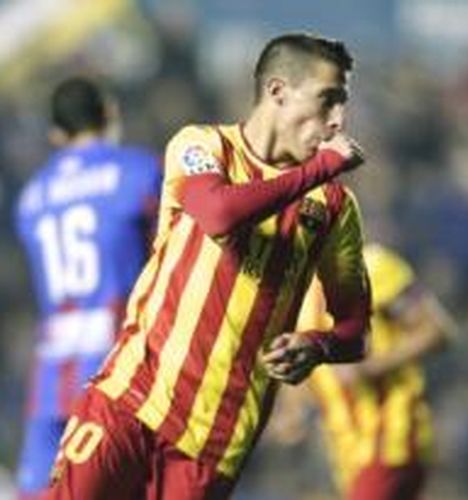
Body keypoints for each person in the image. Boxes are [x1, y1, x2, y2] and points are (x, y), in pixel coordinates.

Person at [45, 32, 371, 500]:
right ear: (278, 91)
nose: (338, 122)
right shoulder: (202, 145)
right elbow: (218, 215)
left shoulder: (335, 207)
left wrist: (318, 345)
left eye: (342, 105)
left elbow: (356, 329)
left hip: (214, 442)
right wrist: (320, 168)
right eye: (328, 101)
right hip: (131, 399)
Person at [13, 77, 162, 499]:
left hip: (51, 368)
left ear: (56, 134)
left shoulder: (30, 198)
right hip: (118, 362)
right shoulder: (140, 171)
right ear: (110, 112)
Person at [292, 243, 455, 500]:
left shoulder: (372, 266)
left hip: (392, 438)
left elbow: (435, 330)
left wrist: (370, 366)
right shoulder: (294, 293)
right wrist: (292, 411)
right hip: (347, 453)